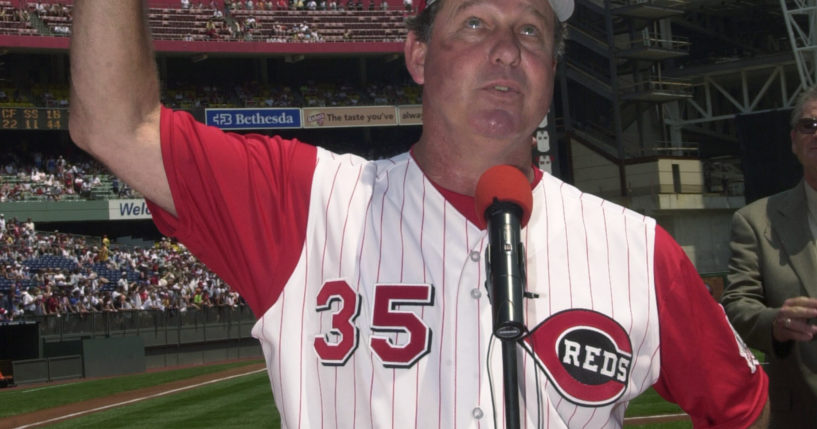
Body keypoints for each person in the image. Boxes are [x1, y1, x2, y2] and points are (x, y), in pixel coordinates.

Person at [69, 0, 769, 427]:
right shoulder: (303, 199)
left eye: (531, 32)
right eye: (474, 24)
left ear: (550, 70)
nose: (505, 49)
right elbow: (112, 122)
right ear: (416, 55)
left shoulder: (634, 248)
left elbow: (742, 407)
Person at [721, 86, 817, 429]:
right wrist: (776, 324)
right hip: (801, 412)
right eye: (810, 125)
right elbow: (737, 306)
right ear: (794, 140)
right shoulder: (756, 221)